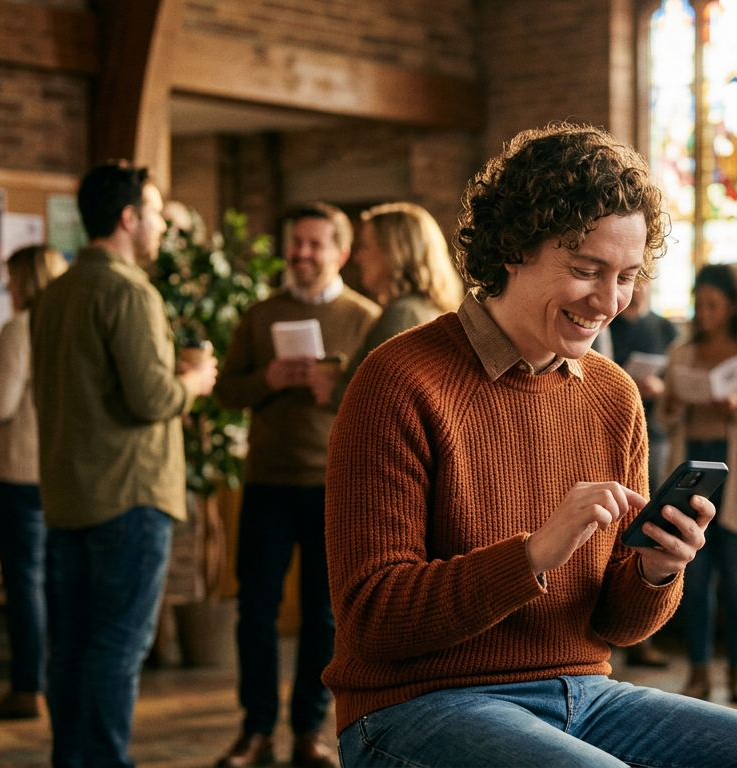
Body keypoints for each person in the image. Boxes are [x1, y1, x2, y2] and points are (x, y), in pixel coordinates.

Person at [324, 123, 737, 768]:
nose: (608, 301)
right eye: (585, 271)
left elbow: (613, 626)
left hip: (586, 695)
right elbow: (372, 617)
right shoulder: (399, 381)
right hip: (418, 705)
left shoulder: (613, 395)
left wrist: (657, 569)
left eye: (627, 276)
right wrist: (532, 555)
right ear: (514, 247)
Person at [32, 162, 218, 768]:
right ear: (127, 217)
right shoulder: (129, 290)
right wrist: (193, 379)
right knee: (118, 643)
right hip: (129, 495)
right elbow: (153, 399)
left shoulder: (53, 292)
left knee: (72, 645)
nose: (163, 223)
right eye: (157, 211)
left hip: (67, 495)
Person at [212, 202, 380, 768]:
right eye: (295, 243)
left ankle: (310, 731)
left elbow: (381, 403)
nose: (302, 254)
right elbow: (224, 391)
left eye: (314, 244)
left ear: (341, 252)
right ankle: (255, 729)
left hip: (335, 487)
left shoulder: (367, 318)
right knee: (255, 609)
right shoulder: (259, 315)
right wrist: (268, 379)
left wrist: (331, 389)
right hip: (267, 483)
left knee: (324, 615)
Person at [0, 245, 67, 721]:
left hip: (18, 473)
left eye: (10, 278)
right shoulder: (67, 328)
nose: (6, 287)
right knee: (55, 584)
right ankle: (56, 684)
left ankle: (27, 689)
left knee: (25, 585)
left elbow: (0, 405)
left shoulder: (19, 328)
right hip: (59, 473)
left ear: (25, 280)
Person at [659, 263, 737, 702]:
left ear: (734, 306)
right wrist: (671, 400)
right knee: (694, 577)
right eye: (699, 304)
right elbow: (664, 418)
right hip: (693, 472)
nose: (704, 313)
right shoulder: (682, 352)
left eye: (713, 305)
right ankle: (698, 670)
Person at [608, 278, 680, 668]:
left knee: (654, 529)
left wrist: (661, 387)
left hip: (657, 432)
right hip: (617, 430)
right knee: (622, 525)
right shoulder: (609, 322)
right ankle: (621, 631)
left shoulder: (665, 327)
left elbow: (677, 379)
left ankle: (643, 635)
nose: (636, 288)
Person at [331, 201, 463, 405]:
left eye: (365, 246)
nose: (358, 257)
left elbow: (379, 400)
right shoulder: (427, 310)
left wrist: (333, 390)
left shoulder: (401, 315)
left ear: (392, 253)